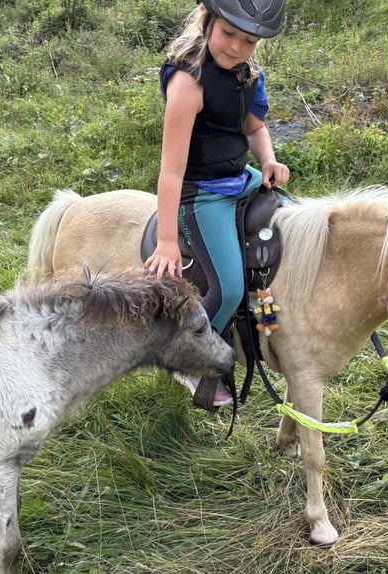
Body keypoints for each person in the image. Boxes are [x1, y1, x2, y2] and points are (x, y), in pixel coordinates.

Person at [144, 0, 289, 411]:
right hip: (203, 193)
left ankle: (271, 325)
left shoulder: (248, 75)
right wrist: (168, 241)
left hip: (240, 178)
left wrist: (268, 161)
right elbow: (171, 171)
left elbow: (254, 126)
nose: (237, 48)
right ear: (208, 20)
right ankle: (185, 358)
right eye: (229, 33)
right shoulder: (189, 82)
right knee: (228, 290)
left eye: (250, 40)